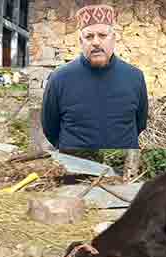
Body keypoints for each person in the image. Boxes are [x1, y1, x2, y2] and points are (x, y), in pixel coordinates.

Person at [41, 4, 148, 149]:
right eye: (89, 36)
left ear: (113, 38)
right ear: (81, 41)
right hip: (75, 165)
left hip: (121, 164)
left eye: (102, 35)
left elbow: (140, 124)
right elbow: (50, 128)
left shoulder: (135, 77)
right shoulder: (59, 79)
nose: (96, 42)